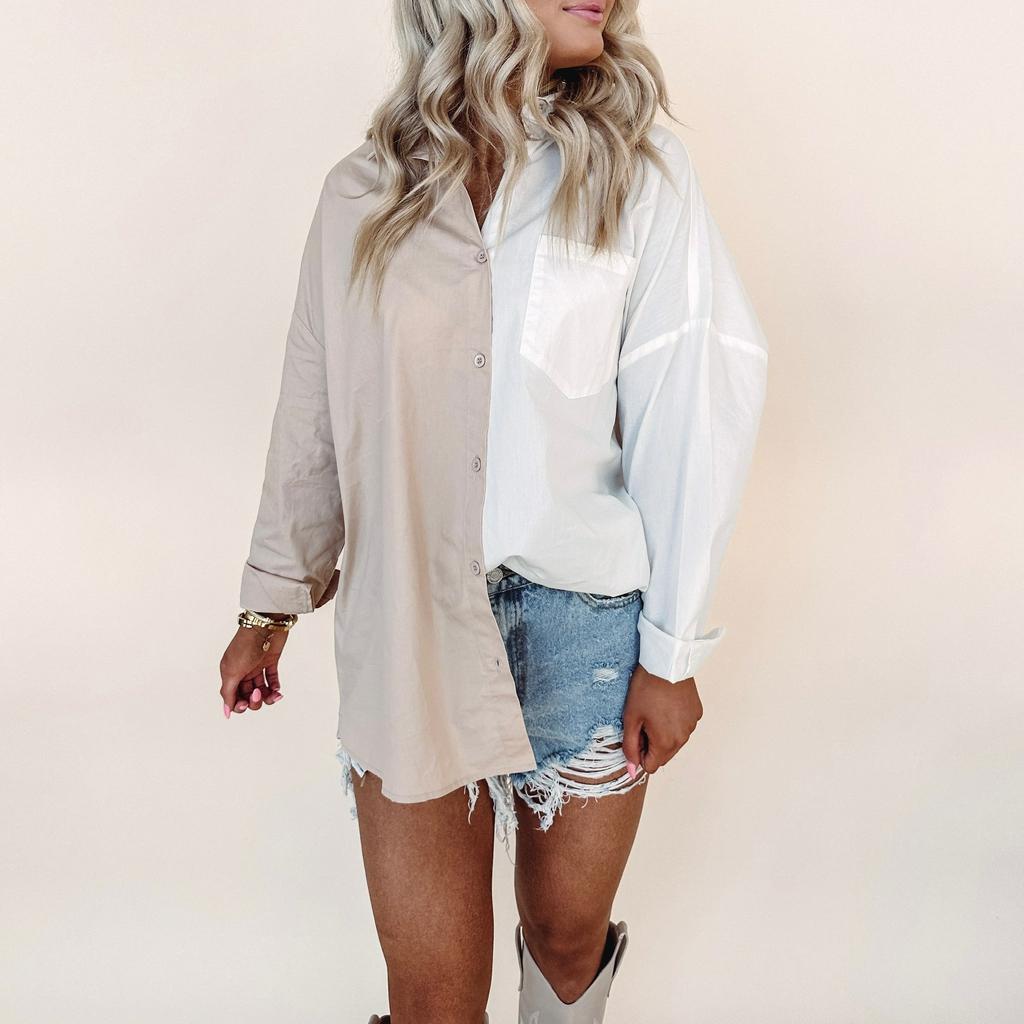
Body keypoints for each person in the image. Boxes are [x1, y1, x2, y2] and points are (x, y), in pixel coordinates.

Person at [218, 1, 768, 1021]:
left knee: (565, 942)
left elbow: (692, 405)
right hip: (407, 627)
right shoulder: (359, 193)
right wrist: (270, 603)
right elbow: (314, 407)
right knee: (433, 995)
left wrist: (671, 651)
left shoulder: (639, 176)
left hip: (585, 633)